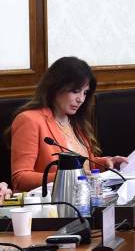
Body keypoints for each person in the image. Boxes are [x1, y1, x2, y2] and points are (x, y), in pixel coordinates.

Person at [7, 57, 128, 191]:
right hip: (50, 201)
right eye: (75, 91)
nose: (81, 99)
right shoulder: (29, 120)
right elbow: (20, 178)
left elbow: (84, 167)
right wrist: (68, 177)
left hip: (83, 196)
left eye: (85, 93)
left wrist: (106, 164)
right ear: (55, 87)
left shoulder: (76, 121)